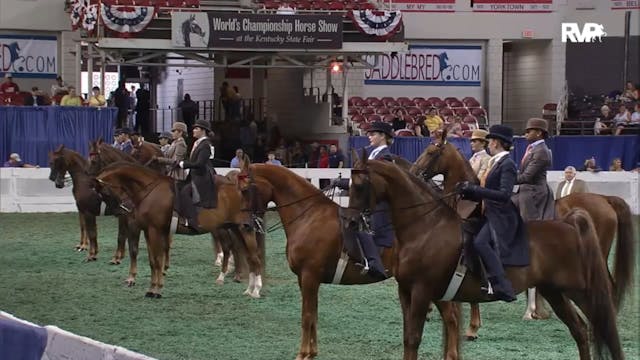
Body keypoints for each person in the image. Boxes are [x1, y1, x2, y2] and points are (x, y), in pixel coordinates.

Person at [456, 124, 528, 302]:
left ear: (496, 142)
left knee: (481, 243)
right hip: (487, 212)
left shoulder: (508, 164)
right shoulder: (494, 163)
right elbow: (486, 189)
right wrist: (467, 191)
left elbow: (504, 194)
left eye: (490, 141)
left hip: (501, 215)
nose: (488, 144)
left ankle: (502, 285)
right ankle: (478, 279)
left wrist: (475, 189)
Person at [331, 121, 396, 280]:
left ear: (383, 137)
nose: (369, 136)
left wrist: (345, 183)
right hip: (369, 203)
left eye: (373, 134)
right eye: (369, 134)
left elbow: (370, 183)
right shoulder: (373, 154)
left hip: (380, 206)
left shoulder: (385, 157)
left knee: (361, 228)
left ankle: (375, 264)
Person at [175, 120, 217, 231]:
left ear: (203, 131)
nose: (193, 131)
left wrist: (184, 164)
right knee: (177, 186)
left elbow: (199, 163)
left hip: (202, 177)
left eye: (196, 129)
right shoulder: (197, 143)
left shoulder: (206, 145)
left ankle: (194, 221)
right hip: (194, 175)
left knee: (185, 193)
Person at [513, 118, 555, 221]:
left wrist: (506, 179)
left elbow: (527, 177)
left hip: (533, 191)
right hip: (526, 187)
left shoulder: (541, 151)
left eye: (528, 131)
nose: (525, 134)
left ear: (538, 133)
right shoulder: (532, 149)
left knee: (526, 223)